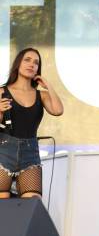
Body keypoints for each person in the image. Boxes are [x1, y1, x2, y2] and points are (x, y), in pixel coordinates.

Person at [0, 48, 64, 199]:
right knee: (2, 206)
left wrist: (48, 86)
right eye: (27, 60)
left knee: (32, 204)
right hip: (3, 151)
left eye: (36, 62)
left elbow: (58, 110)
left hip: (30, 154)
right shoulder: (2, 91)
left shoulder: (41, 95)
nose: (32, 64)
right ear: (18, 64)